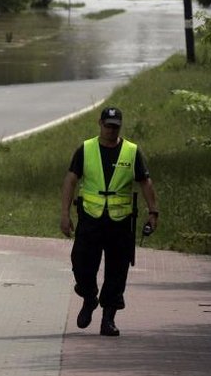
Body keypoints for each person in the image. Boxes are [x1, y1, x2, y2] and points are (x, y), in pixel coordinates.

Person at [60, 106, 159, 336]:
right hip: (91, 220)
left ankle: (108, 318)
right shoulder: (85, 149)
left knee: (117, 271)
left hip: (120, 222)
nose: (111, 131)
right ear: (100, 124)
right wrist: (65, 214)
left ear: (120, 127)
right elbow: (70, 181)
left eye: (115, 127)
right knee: (81, 263)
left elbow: (146, 183)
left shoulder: (132, 152)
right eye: (107, 126)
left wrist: (153, 212)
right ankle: (89, 296)